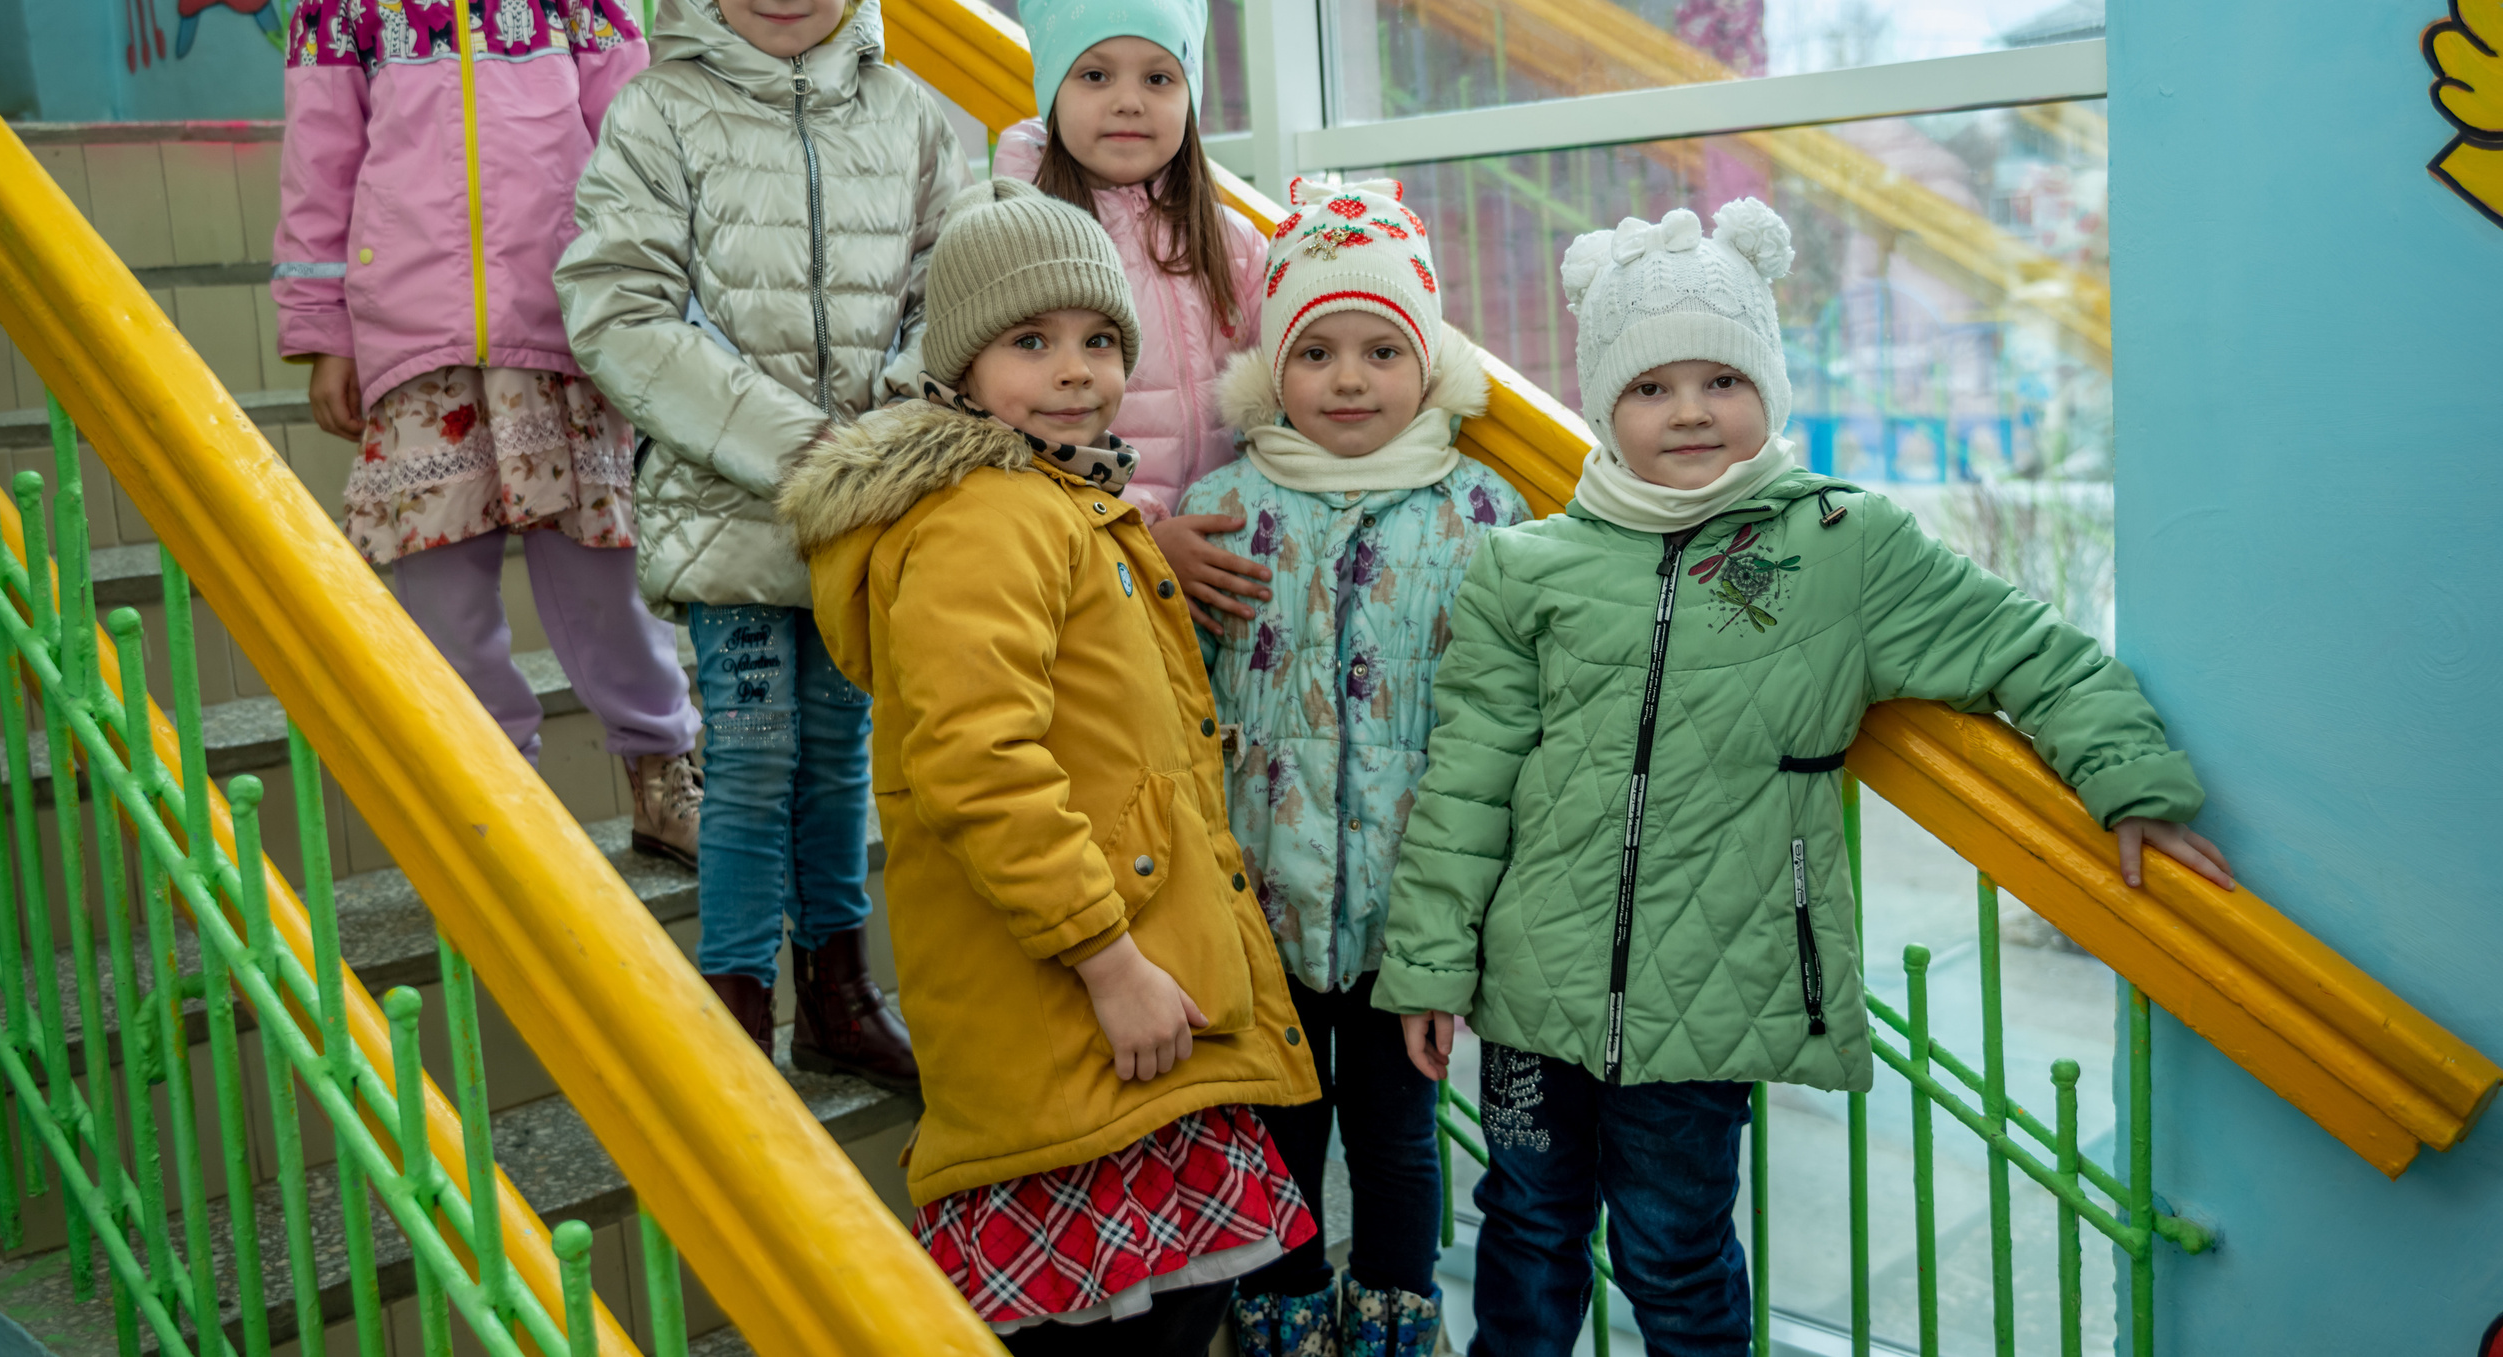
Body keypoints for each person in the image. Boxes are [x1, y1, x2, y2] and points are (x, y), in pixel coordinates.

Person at [1374, 203, 2236, 1356]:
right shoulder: (1528, 567)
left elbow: (2027, 649)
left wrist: (2129, 779)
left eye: (1720, 377)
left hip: (1716, 987)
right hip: (1531, 991)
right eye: (1650, 386)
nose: (1687, 408)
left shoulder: (1842, 542)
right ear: (1603, 406)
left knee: (1673, 1254)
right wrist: (1431, 962)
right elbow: (1470, 775)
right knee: (1524, 1234)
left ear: (1767, 387)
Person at [782, 179, 1321, 1355]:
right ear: (964, 367)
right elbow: (979, 763)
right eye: (1031, 341)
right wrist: (1107, 958)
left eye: (1097, 339)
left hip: (1130, 1001)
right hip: (1081, 1001)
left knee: (1175, 1316)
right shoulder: (989, 517)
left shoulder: (1063, 502)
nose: (1074, 368)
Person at [557, 0, 966, 1087]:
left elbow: (950, 300)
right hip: (729, 511)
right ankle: (734, 1009)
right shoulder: (658, 114)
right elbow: (617, 310)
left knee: (840, 756)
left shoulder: (907, 119)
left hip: (864, 520)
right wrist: (804, 450)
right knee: (744, 763)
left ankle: (839, 993)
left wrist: (888, 440)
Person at [273, 0, 703, 864]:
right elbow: (319, 174)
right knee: (443, 593)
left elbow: (633, 142)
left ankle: (663, 768)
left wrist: (659, 290)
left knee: (604, 581)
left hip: (563, 335)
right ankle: (499, 800)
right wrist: (324, 330)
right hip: (416, 348)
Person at [1182, 179, 1529, 1357]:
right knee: (1278, 1127)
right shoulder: (1221, 508)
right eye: (1316, 350)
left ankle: (1391, 1312)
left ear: (1426, 365)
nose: (1347, 377)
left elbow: (1510, 719)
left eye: (1382, 349)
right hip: (1255, 906)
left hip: (1406, 914)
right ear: (1271, 368)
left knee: (1393, 1134)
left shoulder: (1483, 514)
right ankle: (1278, 1309)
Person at [994, 0, 1278, 636]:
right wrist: (1146, 538)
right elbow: (1010, 427)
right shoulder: (1018, 230)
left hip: (1221, 559)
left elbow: (1285, 382)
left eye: (1159, 77)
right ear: (1053, 92)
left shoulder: (1233, 242)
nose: (1129, 100)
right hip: (1083, 565)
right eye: (1095, 75)